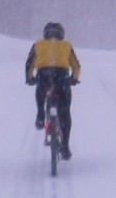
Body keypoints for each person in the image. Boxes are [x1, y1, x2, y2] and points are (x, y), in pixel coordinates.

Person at [25, 22, 81, 160]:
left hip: (44, 77)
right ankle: (65, 147)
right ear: (61, 34)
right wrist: (73, 79)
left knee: (41, 91)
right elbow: (76, 66)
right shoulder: (66, 45)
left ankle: (40, 116)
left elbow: (29, 64)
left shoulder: (38, 45)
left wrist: (30, 78)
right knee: (65, 114)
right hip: (62, 79)